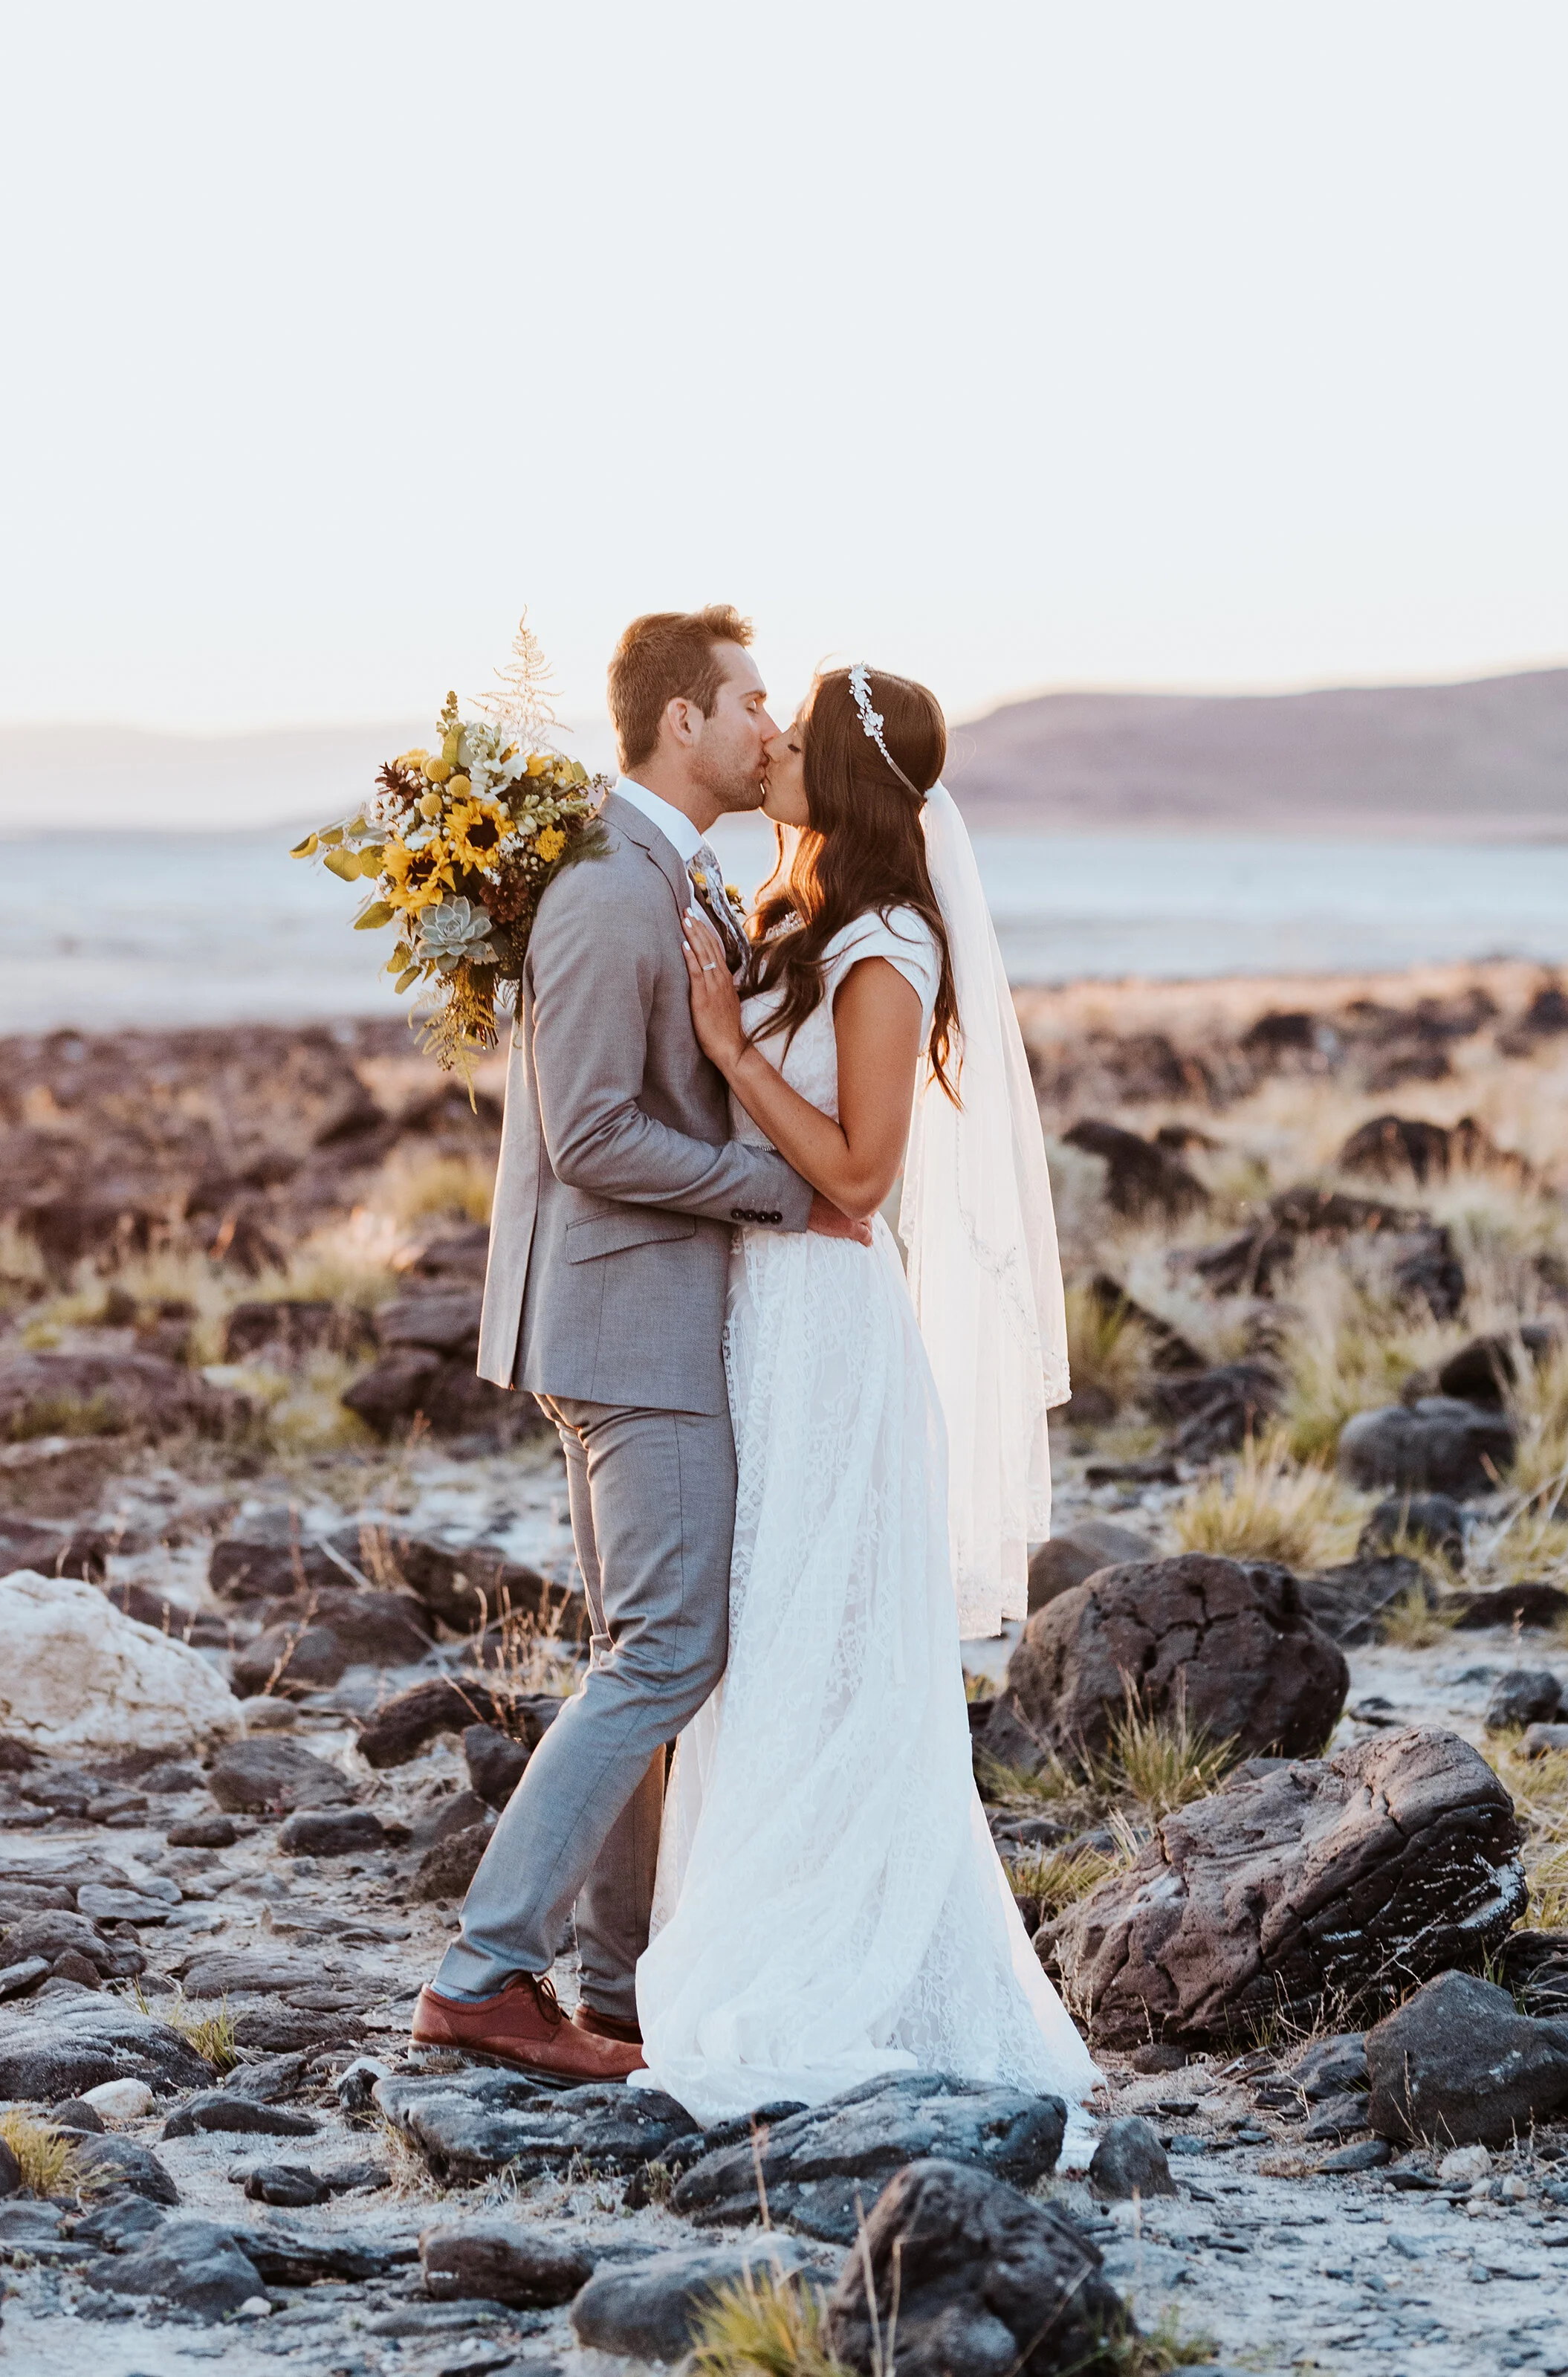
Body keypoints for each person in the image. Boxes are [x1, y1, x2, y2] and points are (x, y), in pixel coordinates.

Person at [631, 662, 1102, 2134]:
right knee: (766, 1642)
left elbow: (857, 1174)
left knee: (820, 1643)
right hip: (758, 1319)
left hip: (830, 1328)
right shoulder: (790, 913)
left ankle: (830, 1969)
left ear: (837, 772)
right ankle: (758, 1925)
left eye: (792, 732)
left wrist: (723, 1051)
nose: (766, 743)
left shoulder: (889, 940)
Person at [408, 607, 866, 2082]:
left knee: (651, 1647)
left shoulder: (667, 870)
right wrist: (780, 1192)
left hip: (639, 1313)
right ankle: (486, 1973)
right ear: (682, 720)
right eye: (746, 702)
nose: (766, 729)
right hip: (626, 1318)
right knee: (669, 1650)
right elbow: (591, 1129)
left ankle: (613, 1986)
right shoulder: (612, 887)